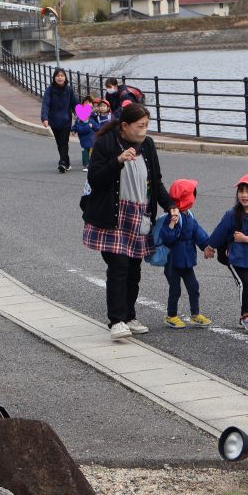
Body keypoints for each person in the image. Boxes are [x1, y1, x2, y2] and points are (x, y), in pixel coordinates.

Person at [82, 103, 176, 340]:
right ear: (125, 126)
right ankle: (116, 320)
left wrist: (171, 206)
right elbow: (95, 179)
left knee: (134, 269)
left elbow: (156, 180)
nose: (144, 130)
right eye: (140, 126)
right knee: (119, 267)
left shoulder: (148, 144)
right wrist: (118, 161)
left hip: (139, 214)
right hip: (113, 215)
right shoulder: (105, 143)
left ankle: (129, 316)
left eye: (147, 125)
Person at [205, 174, 248, 332]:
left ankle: (244, 316)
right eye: (241, 191)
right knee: (245, 284)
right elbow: (220, 231)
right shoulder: (232, 215)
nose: (244, 194)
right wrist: (211, 246)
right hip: (234, 256)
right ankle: (247, 317)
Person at [159, 179, 212, 329]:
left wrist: (206, 245)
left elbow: (197, 232)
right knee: (175, 289)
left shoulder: (189, 214)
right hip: (173, 261)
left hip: (187, 259)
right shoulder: (172, 216)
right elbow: (167, 238)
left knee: (194, 287)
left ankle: (195, 314)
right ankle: (171, 315)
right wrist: (171, 224)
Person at [41, 68, 75, 173]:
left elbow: (75, 103)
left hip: (66, 121)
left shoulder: (69, 90)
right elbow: (45, 104)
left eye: (62, 76)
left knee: (64, 142)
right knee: (59, 143)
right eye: (58, 76)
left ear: (65, 77)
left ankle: (62, 163)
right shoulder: (50, 90)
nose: (60, 78)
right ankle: (67, 162)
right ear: (54, 78)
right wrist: (44, 118)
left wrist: (83, 115)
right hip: (54, 121)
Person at [72, 101, 98, 172]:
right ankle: (85, 165)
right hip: (83, 139)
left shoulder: (91, 121)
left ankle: (92, 164)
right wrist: (74, 131)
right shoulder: (78, 122)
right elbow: (74, 127)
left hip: (91, 139)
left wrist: (92, 126)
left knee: (91, 152)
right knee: (85, 153)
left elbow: (97, 127)